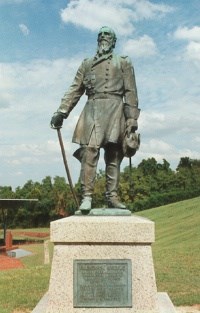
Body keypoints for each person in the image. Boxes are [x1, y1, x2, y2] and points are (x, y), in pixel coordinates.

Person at [51, 26, 140, 213]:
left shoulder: (123, 62)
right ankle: (87, 197)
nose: (103, 38)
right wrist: (62, 111)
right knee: (89, 152)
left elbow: (131, 91)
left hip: (116, 109)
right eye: (101, 35)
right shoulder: (87, 64)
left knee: (114, 155)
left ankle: (112, 196)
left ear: (113, 42)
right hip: (92, 109)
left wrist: (132, 119)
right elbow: (75, 89)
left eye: (107, 35)